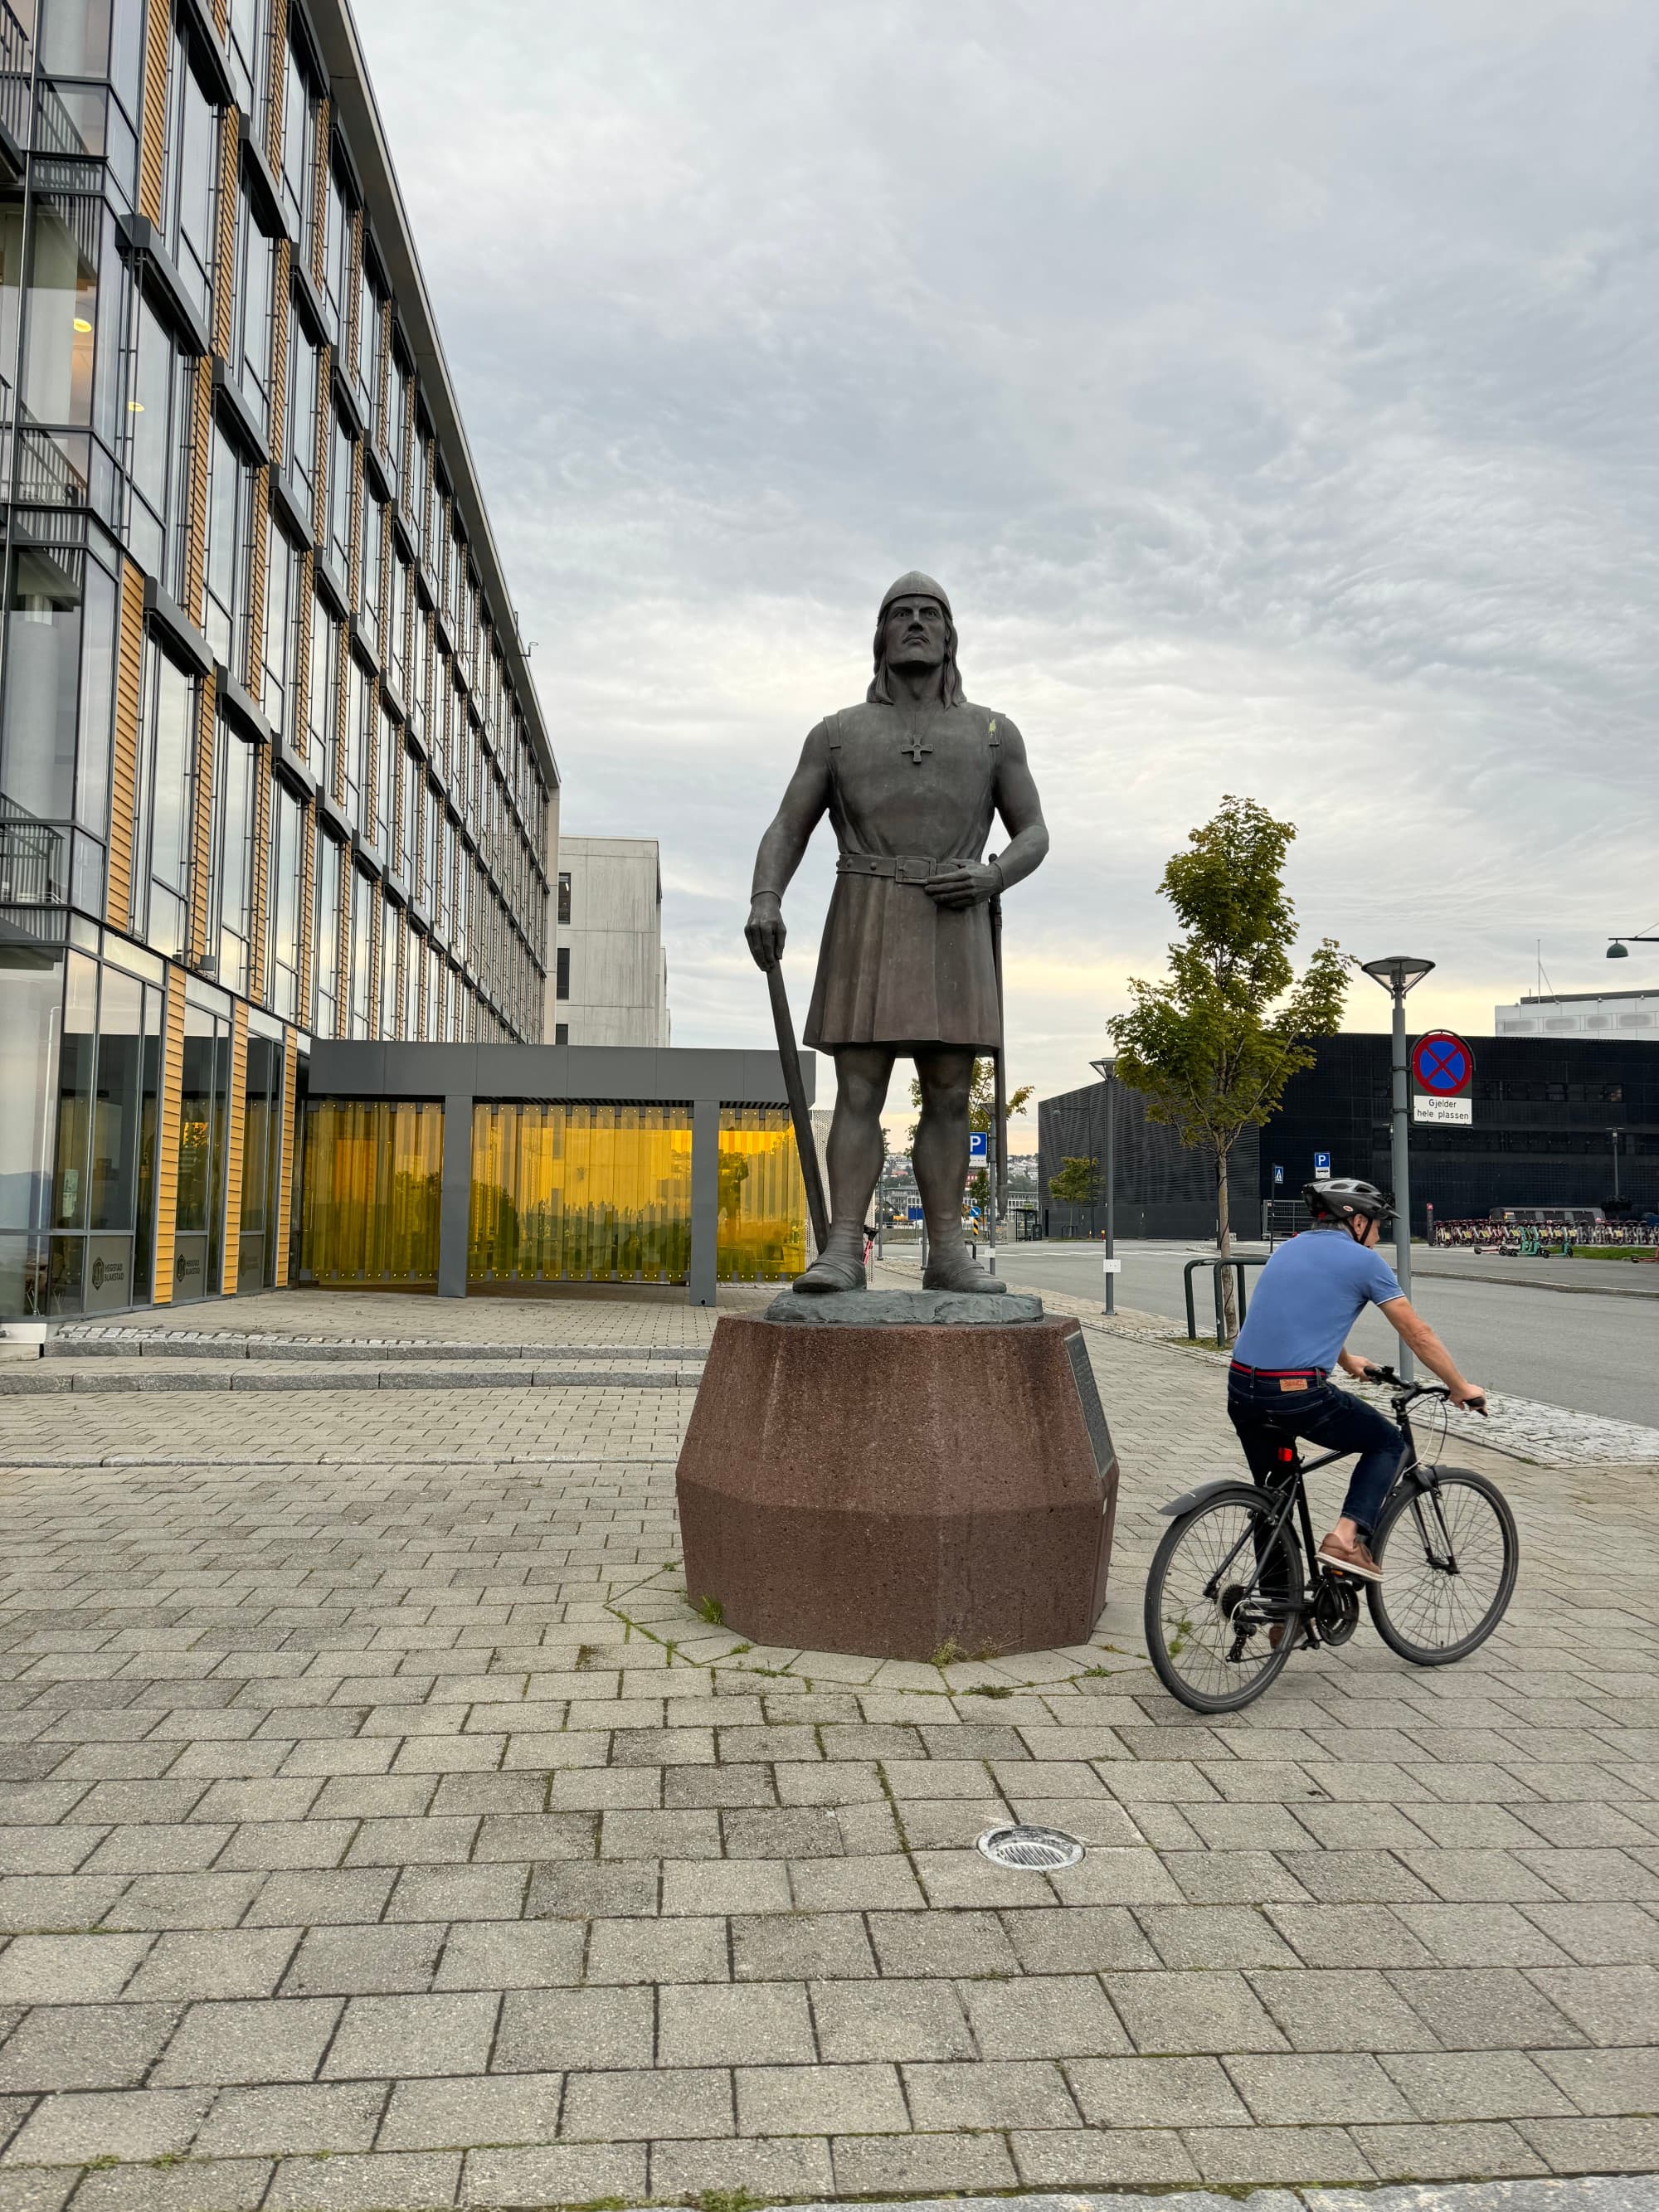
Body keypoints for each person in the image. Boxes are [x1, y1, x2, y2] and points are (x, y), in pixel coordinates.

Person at [1227, 1178, 1487, 1582]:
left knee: (1273, 1493)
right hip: (1296, 1395)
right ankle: (1346, 1539)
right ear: (1357, 1221)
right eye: (1379, 1224)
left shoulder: (1289, 1248)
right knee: (1389, 1444)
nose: (1380, 1233)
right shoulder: (1365, 1262)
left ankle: (1279, 1611)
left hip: (1243, 1389)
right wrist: (1460, 1386)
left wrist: (1347, 1362)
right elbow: (1417, 1333)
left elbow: (1299, 1314)